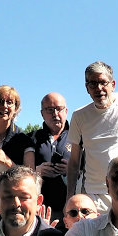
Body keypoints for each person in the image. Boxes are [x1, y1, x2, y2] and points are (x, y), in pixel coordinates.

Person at [65, 61, 118, 211]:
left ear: (113, 84)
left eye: (103, 82)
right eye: (93, 84)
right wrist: (70, 195)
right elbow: (74, 161)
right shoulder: (79, 116)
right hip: (91, 194)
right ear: (86, 88)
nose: (99, 88)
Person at [31, 92, 72, 222]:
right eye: (50, 110)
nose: (55, 114)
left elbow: (90, 169)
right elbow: (20, 171)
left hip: (70, 208)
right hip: (39, 209)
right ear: (42, 113)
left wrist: (72, 170)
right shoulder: (31, 138)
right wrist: (37, 171)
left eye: (59, 109)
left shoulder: (79, 138)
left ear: (66, 111)